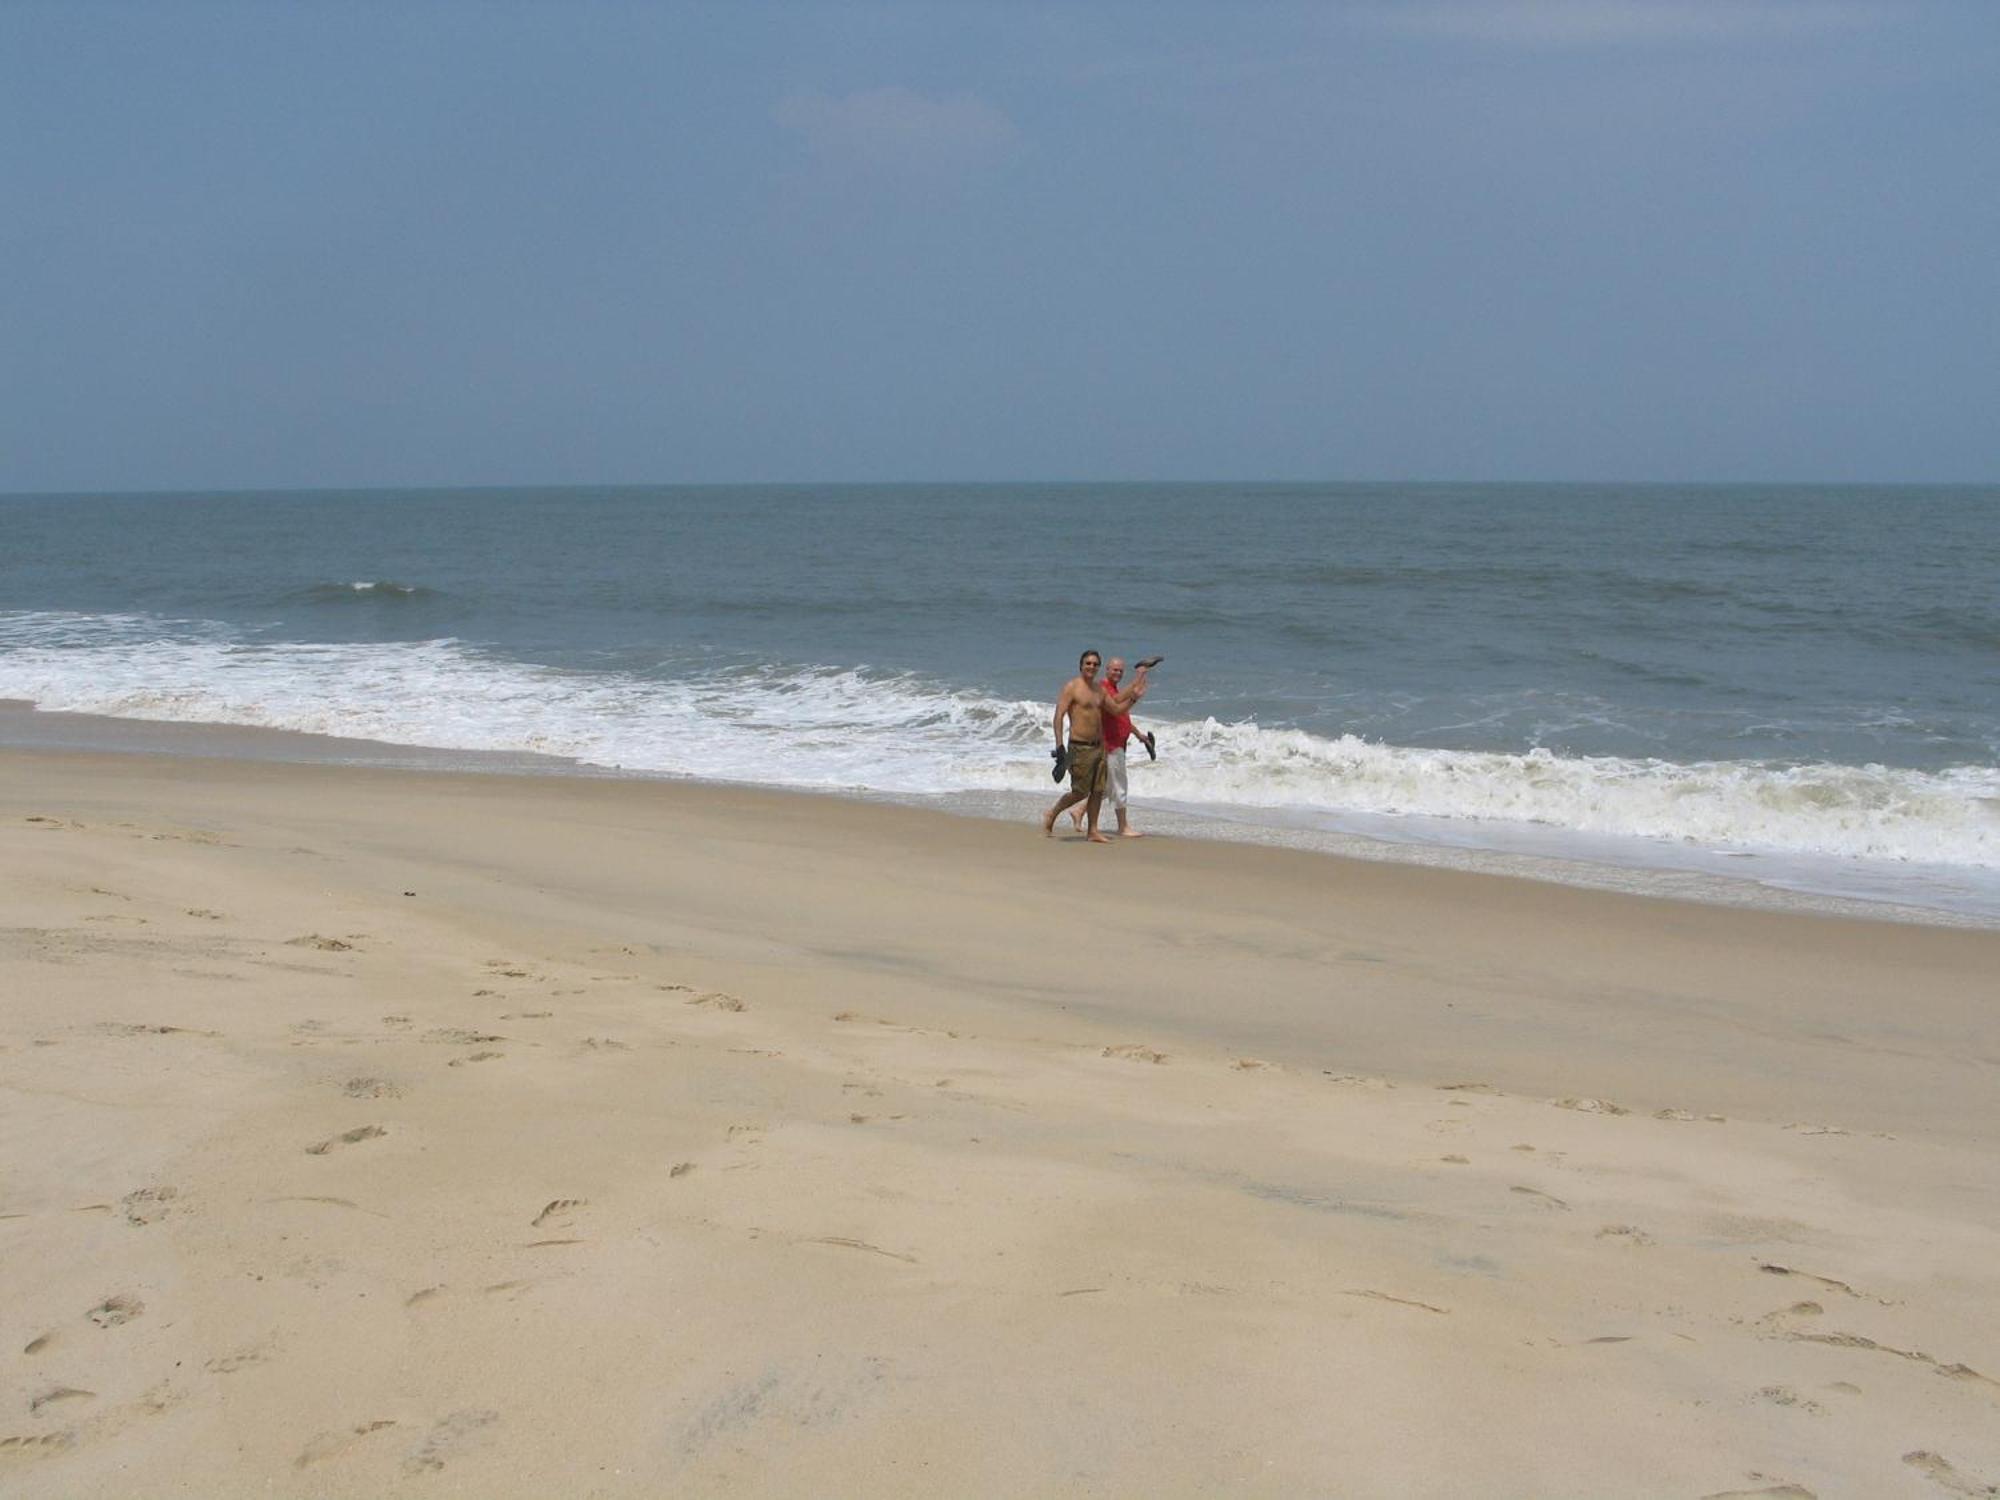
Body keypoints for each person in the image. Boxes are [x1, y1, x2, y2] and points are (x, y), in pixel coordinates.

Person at [1043, 648, 1148, 844]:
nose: (1091, 667)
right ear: (1081, 665)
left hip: (1099, 747)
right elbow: (1058, 716)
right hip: (1079, 747)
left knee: (1098, 790)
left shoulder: (1099, 690)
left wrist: (1134, 697)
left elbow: (1116, 709)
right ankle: (1052, 812)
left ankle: (1092, 831)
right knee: (1080, 792)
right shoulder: (1072, 687)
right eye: (1088, 663)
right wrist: (1059, 747)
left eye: (1095, 664)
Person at [1069, 656, 1154, 837]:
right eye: (1115, 670)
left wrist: (1138, 734)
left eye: (1121, 671)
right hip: (1110, 745)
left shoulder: (1112, 688)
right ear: (1107, 670)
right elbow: (1116, 702)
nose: (1118, 673)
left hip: (1117, 744)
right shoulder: (1103, 688)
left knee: (1107, 787)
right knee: (1120, 785)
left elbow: (1121, 717)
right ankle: (1123, 826)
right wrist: (1139, 677)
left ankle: (1079, 812)